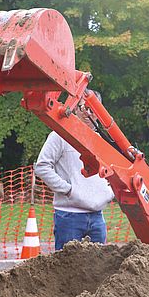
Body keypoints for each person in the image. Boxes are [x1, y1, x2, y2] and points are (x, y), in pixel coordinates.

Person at [34, 90, 114, 250]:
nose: (88, 114)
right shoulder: (60, 136)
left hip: (97, 216)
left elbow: (113, 171)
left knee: (98, 268)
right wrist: (68, 190)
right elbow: (42, 166)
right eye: (84, 108)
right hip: (69, 216)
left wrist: (109, 193)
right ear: (75, 109)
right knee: (66, 269)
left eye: (93, 110)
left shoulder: (102, 141)